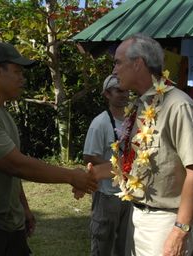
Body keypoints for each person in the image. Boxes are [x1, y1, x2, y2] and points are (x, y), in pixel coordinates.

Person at [0, 42, 97, 256]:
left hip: (6, 222)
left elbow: (11, 170)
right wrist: (72, 176)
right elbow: (15, 165)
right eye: (17, 72)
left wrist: (22, 207)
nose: (22, 79)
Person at [85, 34, 193, 256]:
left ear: (138, 63)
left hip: (166, 222)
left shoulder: (178, 106)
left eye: (118, 62)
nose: (114, 70)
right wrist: (89, 176)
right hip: (137, 215)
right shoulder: (140, 107)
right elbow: (129, 163)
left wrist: (180, 230)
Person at [83, 75, 132, 256]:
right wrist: (117, 169)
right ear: (107, 94)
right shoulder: (100, 123)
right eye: (119, 90)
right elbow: (89, 156)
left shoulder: (133, 120)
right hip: (106, 194)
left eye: (126, 90)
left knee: (126, 245)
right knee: (102, 242)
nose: (124, 94)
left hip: (130, 194)